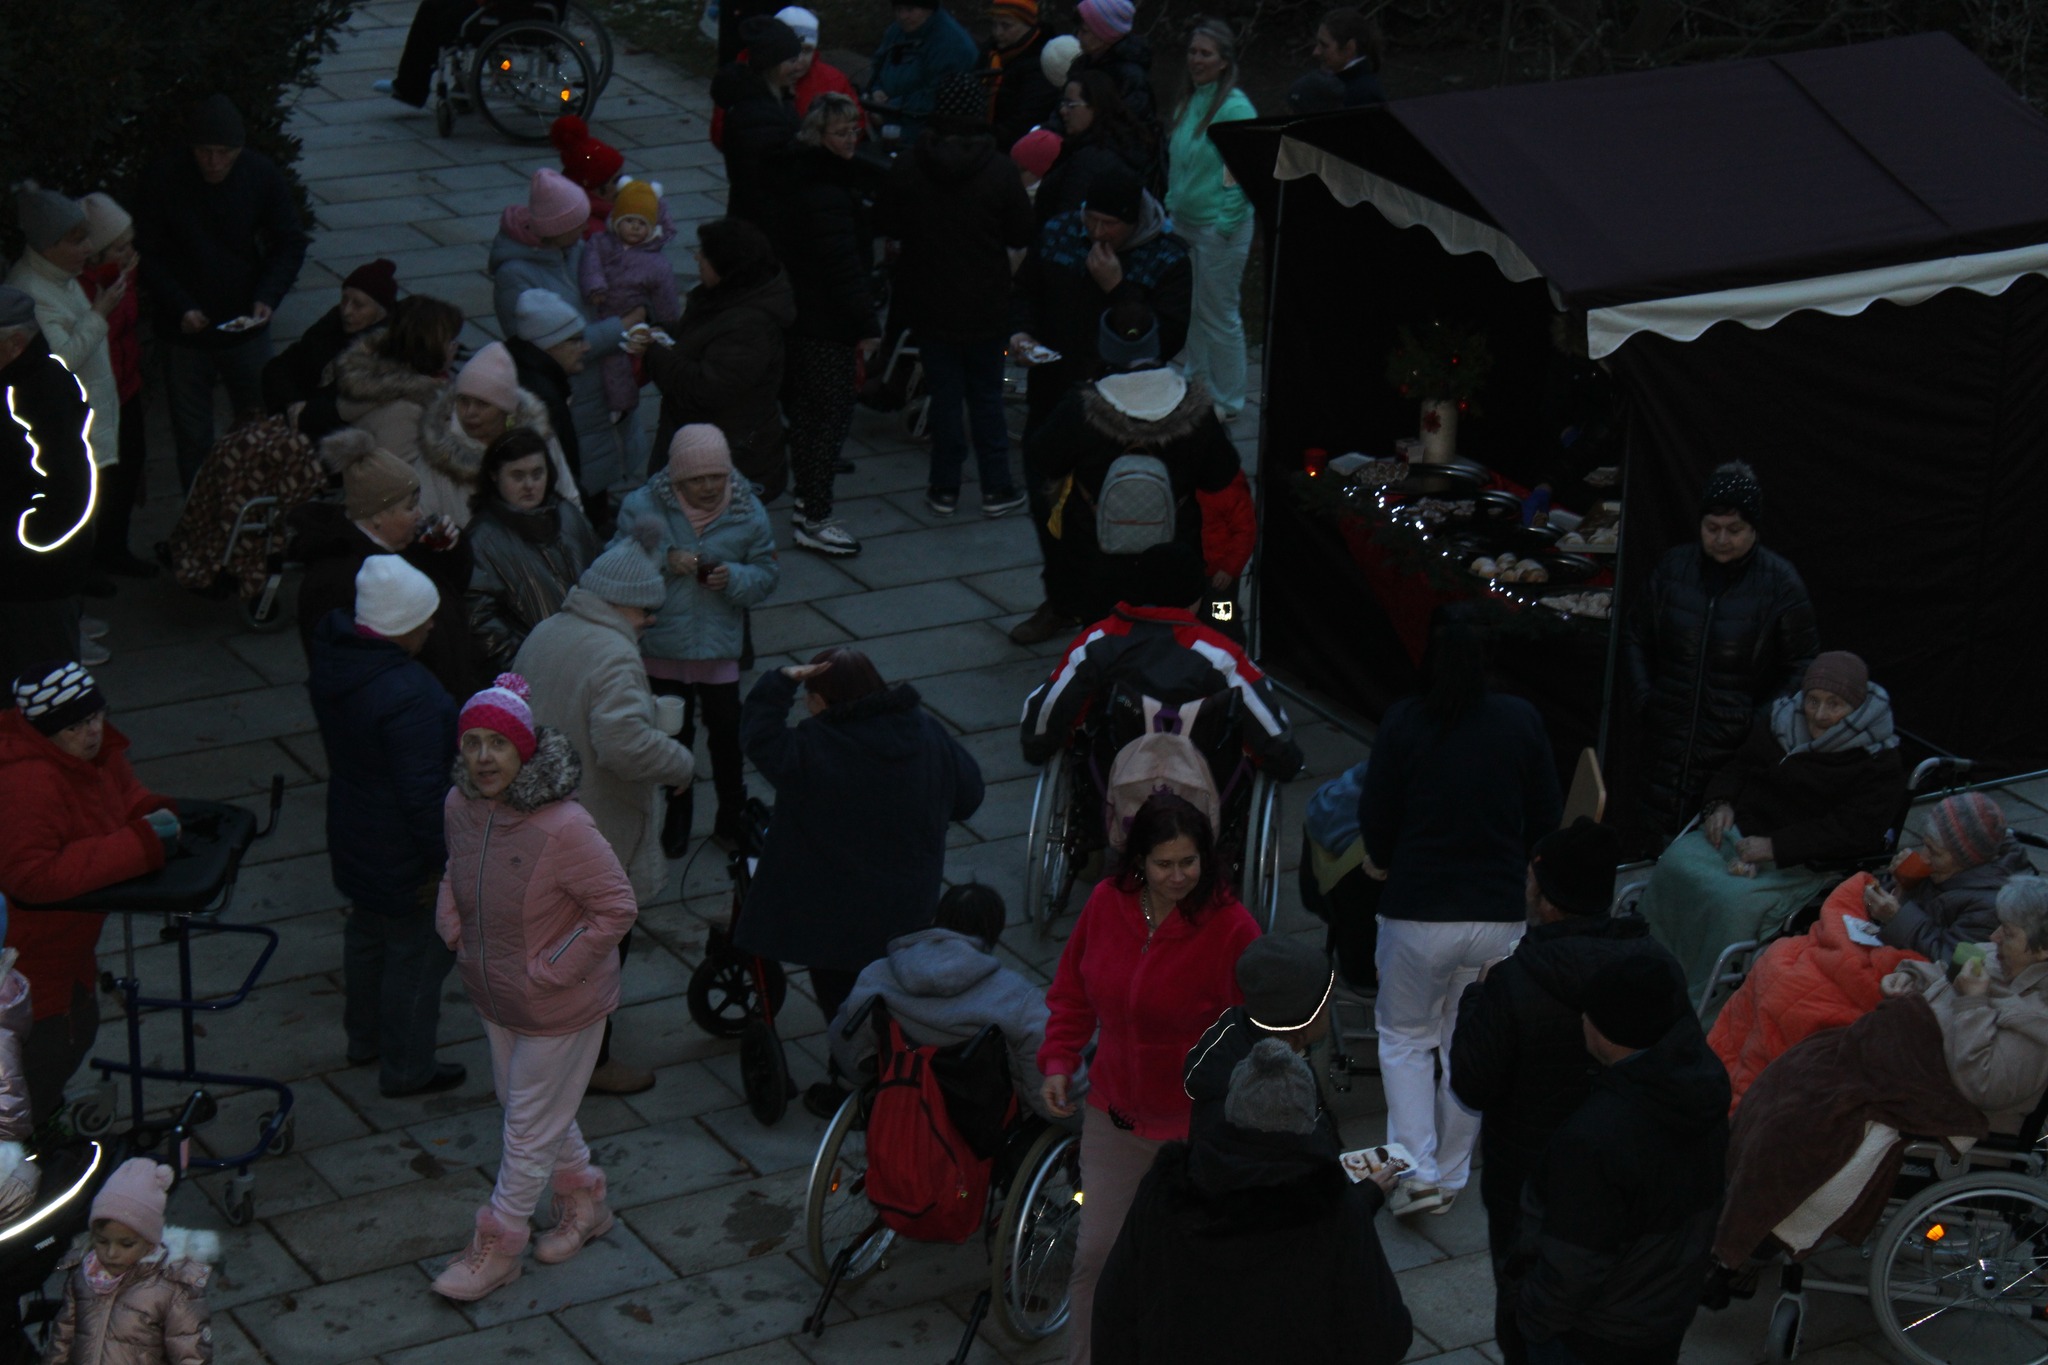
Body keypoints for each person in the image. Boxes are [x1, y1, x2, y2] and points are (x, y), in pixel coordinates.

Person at [430, 676, 640, 1300]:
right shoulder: (459, 806)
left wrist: (551, 969)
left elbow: (616, 906)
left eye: (498, 743)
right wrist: (451, 921)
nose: (484, 756)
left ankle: (499, 1247)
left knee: (525, 1123)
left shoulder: (564, 825)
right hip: (494, 990)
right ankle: (584, 1203)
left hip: (560, 1001)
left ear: (524, 750)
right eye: (473, 742)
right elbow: (456, 866)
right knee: (528, 1107)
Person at [1038, 792, 1260, 1365]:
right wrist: (1059, 1060)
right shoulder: (1105, 905)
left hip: (1193, 1130)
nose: (1178, 876)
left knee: (1187, 1271)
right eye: (1164, 864)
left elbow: (1256, 1026)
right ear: (1139, 860)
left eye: (1189, 862)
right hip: (1114, 1115)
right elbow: (1071, 991)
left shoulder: (1231, 928)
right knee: (1096, 1258)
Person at [1451, 818, 1684, 1365]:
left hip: (1529, 1184)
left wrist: (1477, 998)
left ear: (1548, 900)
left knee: (1528, 1311)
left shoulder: (1514, 983)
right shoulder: (1655, 966)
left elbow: (1471, 1082)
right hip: (1631, 1188)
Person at [1360, 615, 1562, 1216]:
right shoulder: (1521, 720)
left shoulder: (1404, 721)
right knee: (1466, 1044)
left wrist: (1382, 860)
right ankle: (1450, 1175)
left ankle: (1416, 1173)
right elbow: (1546, 816)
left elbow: (1377, 815)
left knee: (1405, 1038)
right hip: (1497, 918)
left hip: (1417, 914)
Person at [737, 647, 985, 1104]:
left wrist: (780, 681)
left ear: (818, 701)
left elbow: (759, 735)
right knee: (893, 985)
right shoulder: (924, 730)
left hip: (834, 912)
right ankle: (897, 1059)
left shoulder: (813, 747)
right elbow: (968, 795)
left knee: (845, 1001)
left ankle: (855, 1081)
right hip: (908, 900)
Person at [1093, 1039, 1413, 1365]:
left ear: (1231, 1108)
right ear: (1307, 1119)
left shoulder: (1167, 1188)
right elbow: (1384, 1337)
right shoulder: (1335, 1208)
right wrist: (1358, 1204)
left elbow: (1114, 1308)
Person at [513, 544, 695, 1096]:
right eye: (645, 611)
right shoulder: (614, 655)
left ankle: (542, 1044)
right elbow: (623, 745)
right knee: (598, 950)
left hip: (536, 814)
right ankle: (591, 1062)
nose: (649, 621)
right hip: (592, 824)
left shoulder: (545, 632)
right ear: (620, 604)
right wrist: (678, 761)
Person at [1638, 650, 1904, 994]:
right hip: (1741, 834)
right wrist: (1719, 803)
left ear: (1856, 707)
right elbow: (1739, 766)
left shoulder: (1877, 759)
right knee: (1675, 862)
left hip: (1800, 861)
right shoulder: (1781, 721)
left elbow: (1853, 830)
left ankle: (1700, 990)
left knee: (1730, 904)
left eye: (1834, 704)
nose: (1819, 714)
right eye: (1813, 700)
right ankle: (1647, 957)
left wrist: (1777, 847)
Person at [1512, 955, 1729, 1365]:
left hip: (1593, 1335)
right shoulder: (1705, 1082)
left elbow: (1573, 1261)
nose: (1581, 1020)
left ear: (1608, 1034)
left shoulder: (1595, 1138)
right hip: (1664, 1314)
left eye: (1587, 1013)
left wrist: (1533, 1317)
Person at [306, 555, 465, 1099]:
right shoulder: (409, 695)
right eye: (423, 618)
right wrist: (447, 859)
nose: (431, 626)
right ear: (398, 625)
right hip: (402, 846)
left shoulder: (337, 661)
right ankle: (407, 1068)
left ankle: (365, 1038)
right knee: (418, 955)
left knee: (367, 935)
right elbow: (422, 794)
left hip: (355, 827)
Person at [0, 662, 176, 1125]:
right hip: (29, 963)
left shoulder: (88, 753)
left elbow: (121, 793)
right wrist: (139, 844)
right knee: (47, 1051)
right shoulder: (27, 783)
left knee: (71, 1034)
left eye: (97, 716)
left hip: (64, 951)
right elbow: (32, 877)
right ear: (47, 732)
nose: (94, 731)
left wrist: (150, 812)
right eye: (77, 726)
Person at [1014, 303, 1250, 642]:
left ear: (1105, 347)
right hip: (1175, 551)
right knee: (1173, 639)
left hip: (1097, 559)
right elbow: (1221, 474)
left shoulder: (1080, 407)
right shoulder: (1195, 407)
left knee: (1103, 641)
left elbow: (1043, 459)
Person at [1622, 461, 1818, 838]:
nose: (1722, 539)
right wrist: (1644, 697)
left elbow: (1803, 663)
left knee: (1712, 847)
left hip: (1733, 752)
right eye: (1712, 528)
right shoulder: (1673, 568)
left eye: (1734, 529)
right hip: (1664, 742)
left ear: (1754, 528)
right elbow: (1635, 635)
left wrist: (1758, 721)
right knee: (1649, 840)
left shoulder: (1780, 583)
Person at [875, 71, 1035, 518]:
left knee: (944, 397)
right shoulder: (999, 170)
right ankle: (997, 486)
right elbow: (1021, 232)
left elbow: (886, 221)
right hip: (985, 301)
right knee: (986, 396)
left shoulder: (911, 165)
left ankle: (943, 487)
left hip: (927, 297)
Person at [616, 425, 781, 855]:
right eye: (696, 480)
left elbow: (766, 573)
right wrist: (664, 559)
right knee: (673, 736)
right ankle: (677, 809)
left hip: (718, 648)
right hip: (661, 645)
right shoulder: (643, 507)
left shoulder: (748, 511)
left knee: (727, 733)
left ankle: (732, 814)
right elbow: (616, 564)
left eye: (717, 477)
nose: (708, 487)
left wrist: (735, 578)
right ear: (676, 479)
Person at [137, 94, 309, 488]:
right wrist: (180, 306)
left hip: (244, 324)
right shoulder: (164, 179)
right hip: (183, 332)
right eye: (205, 152)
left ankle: (253, 505)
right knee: (192, 436)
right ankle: (201, 511)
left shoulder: (259, 175)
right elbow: (146, 253)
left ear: (239, 150)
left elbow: (290, 241)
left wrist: (267, 295)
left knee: (259, 428)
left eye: (224, 153)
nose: (214, 162)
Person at [1020, 541, 1303, 777]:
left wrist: (1037, 746)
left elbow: (1046, 710)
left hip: (1111, 778)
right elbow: (1270, 730)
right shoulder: (1220, 655)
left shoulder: (1096, 644)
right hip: (1201, 789)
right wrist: (1286, 762)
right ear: (1196, 598)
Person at [488, 169, 649, 521]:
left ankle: (598, 511)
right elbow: (545, 347)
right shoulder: (514, 276)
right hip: (572, 391)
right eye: (578, 222)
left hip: (596, 389)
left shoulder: (574, 248)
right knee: (578, 471)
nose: (586, 227)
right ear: (556, 228)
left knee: (600, 463)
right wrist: (620, 328)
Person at [768, 92, 885, 556]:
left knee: (810, 418)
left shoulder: (801, 175)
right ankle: (814, 516)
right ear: (819, 135)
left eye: (854, 130)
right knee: (827, 420)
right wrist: (866, 323)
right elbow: (841, 265)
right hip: (825, 322)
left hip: (805, 316)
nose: (851, 139)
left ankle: (808, 507)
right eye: (841, 132)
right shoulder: (826, 191)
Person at [828, 883, 1058, 1120]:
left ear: (937, 920)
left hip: (899, 1095)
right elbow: (1044, 1076)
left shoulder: (877, 975)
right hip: (981, 1119)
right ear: (993, 933)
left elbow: (846, 1041)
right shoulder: (1017, 998)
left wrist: (856, 1081)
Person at [293, 429, 483, 702]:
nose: (420, 515)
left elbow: (455, 587)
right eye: (410, 507)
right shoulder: (336, 580)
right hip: (407, 708)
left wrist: (450, 550)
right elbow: (345, 671)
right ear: (378, 516)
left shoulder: (409, 547)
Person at [1012, 162, 1193, 434]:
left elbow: (1165, 339)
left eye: (1109, 224)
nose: (1097, 232)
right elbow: (1026, 290)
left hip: (1122, 400)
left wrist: (1118, 290)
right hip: (1051, 389)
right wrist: (1022, 332)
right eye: (1090, 218)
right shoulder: (1058, 232)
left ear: (1134, 222)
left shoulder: (1167, 259)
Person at [644, 219, 796, 502]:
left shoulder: (749, 326)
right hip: (711, 444)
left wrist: (654, 351)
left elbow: (704, 388)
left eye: (704, 253)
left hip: (728, 458)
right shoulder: (727, 298)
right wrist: (666, 333)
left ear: (727, 267)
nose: (696, 257)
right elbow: (704, 341)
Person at [0, 290, 96, 682]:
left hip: (33, 581)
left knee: (41, 685)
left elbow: (68, 482)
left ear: (15, 343)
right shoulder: (20, 380)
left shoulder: (37, 390)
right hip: (24, 575)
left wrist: (28, 540)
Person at [1166, 20, 1257, 422]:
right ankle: (1195, 383)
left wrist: (1226, 222)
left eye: (1205, 53)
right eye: (1192, 52)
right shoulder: (1188, 102)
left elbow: (1242, 171)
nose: (1196, 60)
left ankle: (1230, 399)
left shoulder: (1235, 108)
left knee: (1219, 314)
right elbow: (1178, 163)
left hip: (1220, 227)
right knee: (1192, 309)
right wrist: (1171, 207)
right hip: (1184, 223)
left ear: (1224, 61)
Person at [45, 1158, 216, 1364]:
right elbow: (63, 1336)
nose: (111, 1253)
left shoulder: (172, 1290)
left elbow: (191, 1353)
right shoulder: (83, 1276)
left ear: (149, 1243)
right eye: (102, 1241)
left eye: (126, 1244)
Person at [1182, 935, 1339, 1156]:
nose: (1330, 1010)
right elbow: (1302, 1165)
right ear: (1301, 1029)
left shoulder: (1238, 1028)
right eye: (1325, 1005)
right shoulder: (1276, 1095)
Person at [465, 428, 603, 674]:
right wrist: (528, 670)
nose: (529, 485)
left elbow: (602, 576)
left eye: (537, 474)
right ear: (494, 476)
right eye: (517, 476)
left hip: (592, 657)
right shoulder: (480, 541)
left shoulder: (568, 515)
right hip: (537, 673)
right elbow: (481, 622)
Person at [7, 185, 119, 483]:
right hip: (73, 438)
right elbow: (59, 363)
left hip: (92, 427)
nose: (89, 248)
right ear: (47, 246)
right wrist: (99, 313)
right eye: (77, 241)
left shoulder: (63, 278)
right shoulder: (29, 292)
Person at [418, 340, 583, 531]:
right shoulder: (438, 455)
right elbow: (424, 516)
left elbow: (569, 499)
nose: (470, 412)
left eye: (482, 404)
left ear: (505, 409)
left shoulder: (538, 441)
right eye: (463, 401)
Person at [329, 294, 467, 520]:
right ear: (430, 346)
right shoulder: (405, 411)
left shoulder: (418, 389)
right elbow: (400, 491)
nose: (455, 347)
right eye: (450, 341)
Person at [76, 193, 155, 580]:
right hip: (98, 394)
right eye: (120, 247)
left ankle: (114, 547)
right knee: (97, 479)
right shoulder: (83, 287)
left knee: (128, 467)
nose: (129, 253)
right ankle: (89, 559)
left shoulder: (120, 275)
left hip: (127, 385)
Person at [1870, 790, 2033, 962]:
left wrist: (1896, 918)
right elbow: (1876, 906)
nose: (1924, 857)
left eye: (1934, 852)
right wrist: (1900, 883)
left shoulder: (1990, 906)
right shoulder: (1943, 870)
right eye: (1925, 845)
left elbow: (1951, 960)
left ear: (1966, 861)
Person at [579, 180, 679, 442]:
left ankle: (622, 404)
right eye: (629, 221)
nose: (635, 227)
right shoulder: (600, 242)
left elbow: (665, 296)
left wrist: (669, 324)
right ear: (617, 221)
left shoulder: (656, 264)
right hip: (599, 307)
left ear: (652, 229)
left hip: (630, 315)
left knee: (619, 362)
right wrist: (595, 285)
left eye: (642, 223)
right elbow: (590, 264)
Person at [261, 259, 397, 441]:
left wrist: (305, 413)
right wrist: (292, 402)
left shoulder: (383, 352)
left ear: (380, 313)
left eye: (358, 305)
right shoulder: (330, 326)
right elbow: (281, 366)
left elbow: (345, 409)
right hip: (294, 421)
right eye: (344, 299)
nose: (346, 311)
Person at [712, 16, 805, 224]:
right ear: (771, 65)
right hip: (763, 224)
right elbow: (766, 180)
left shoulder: (772, 100)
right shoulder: (757, 114)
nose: (799, 67)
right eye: (791, 61)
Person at [1034, 71, 1156, 226]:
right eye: (1062, 104)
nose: (1063, 111)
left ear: (1095, 107)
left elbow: (1068, 217)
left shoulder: (1092, 158)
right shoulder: (1113, 145)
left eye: (1071, 105)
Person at [506, 288, 589, 488]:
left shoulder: (524, 370)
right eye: (576, 340)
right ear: (550, 345)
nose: (587, 347)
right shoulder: (545, 399)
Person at [866, 0, 980, 143]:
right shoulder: (897, 30)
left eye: (910, 9)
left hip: (924, 127)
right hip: (883, 114)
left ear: (929, 10)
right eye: (899, 9)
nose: (903, 16)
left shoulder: (952, 45)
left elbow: (934, 95)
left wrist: (887, 109)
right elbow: (877, 64)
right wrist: (876, 90)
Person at [983, 0, 1060, 151]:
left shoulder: (1041, 65)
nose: (998, 32)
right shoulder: (991, 53)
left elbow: (1027, 119)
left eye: (1006, 26)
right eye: (994, 24)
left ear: (1028, 26)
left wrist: (987, 140)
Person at [1069, 0, 1155, 124]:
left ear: (1104, 35)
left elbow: (1130, 124)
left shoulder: (1130, 77)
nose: (1078, 36)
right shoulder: (1082, 64)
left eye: (1085, 31)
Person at [1313, 7, 1388, 107]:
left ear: (1349, 48)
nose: (1316, 52)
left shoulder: (1363, 95)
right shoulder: (1353, 87)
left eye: (1324, 45)